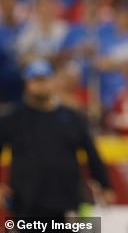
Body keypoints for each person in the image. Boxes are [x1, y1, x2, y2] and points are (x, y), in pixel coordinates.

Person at [0, 59, 112, 221]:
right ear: (27, 83)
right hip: (26, 203)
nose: (40, 85)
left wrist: (105, 185)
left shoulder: (71, 117)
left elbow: (91, 153)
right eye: (36, 80)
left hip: (67, 202)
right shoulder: (13, 119)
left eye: (44, 79)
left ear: (52, 81)